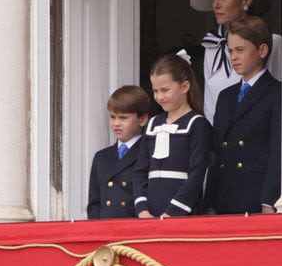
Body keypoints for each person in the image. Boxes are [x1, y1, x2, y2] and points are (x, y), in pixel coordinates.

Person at [190, 0, 282, 123]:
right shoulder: (212, 47)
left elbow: (281, 97)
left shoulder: (274, 42)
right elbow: (210, 106)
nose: (216, 4)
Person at [204, 16, 281, 215]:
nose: (233, 57)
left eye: (240, 50)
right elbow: (217, 154)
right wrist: (209, 202)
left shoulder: (276, 93)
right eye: (230, 51)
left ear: (262, 50)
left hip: (255, 196)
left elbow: (277, 151)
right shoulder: (225, 96)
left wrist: (269, 200)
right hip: (225, 196)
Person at [133, 50, 212, 218]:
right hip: (150, 216)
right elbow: (141, 171)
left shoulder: (197, 124)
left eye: (165, 90)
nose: (159, 97)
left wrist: (172, 213)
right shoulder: (153, 123)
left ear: (185, 86)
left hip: (183, 214)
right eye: (155, 91)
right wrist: (142, 209)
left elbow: (196, 175)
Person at [87, 85, 150, 219]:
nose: (116, 123)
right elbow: (94, 204)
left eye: (123, 118)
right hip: (106, 231)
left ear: (142, 119)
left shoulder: (149, 152)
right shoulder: (101, 157)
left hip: (134, 230)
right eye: (113, 117)